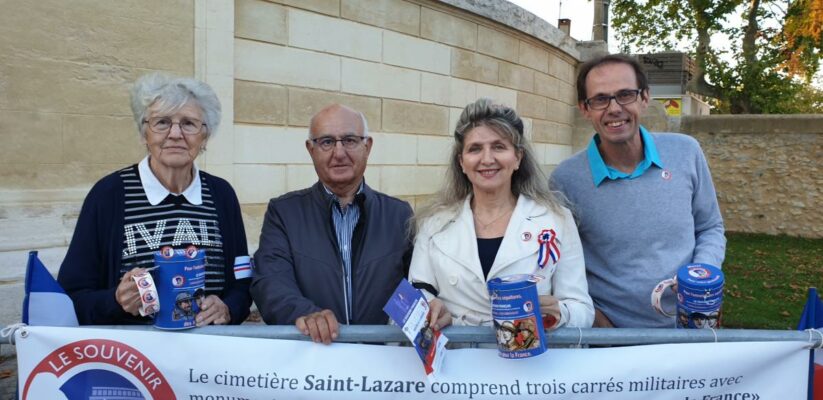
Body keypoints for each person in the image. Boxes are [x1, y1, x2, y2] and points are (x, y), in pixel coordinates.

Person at [57, 73, 252, 326]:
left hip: (207, 354)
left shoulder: (221, 194)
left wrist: (228, 308)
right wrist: (116, 301)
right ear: (143, 133)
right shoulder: (109, 194)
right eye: (162, 122)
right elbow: (71, 296)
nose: (175, 134)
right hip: (133, 358)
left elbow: (243, 282)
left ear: (204, 136)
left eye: (189, 124)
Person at [550, 54, 726, 328]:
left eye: (625, 95)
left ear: (644, 98)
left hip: (691, 327)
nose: (614, 108)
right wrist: (599, 326)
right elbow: (560, 265)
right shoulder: (566, 180)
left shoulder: (686, 152)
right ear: (585, 109)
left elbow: (710, 227)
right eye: (600, 99)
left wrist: (701, 276)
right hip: (613, 342)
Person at [408, 98, 594, 332]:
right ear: (462, 162)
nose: (487, 159)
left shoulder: (557, 219)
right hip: (458, 360)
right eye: (475, 149)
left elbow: (582, 310)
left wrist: (560, 314)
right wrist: (428, 307)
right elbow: (418, 291)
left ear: (518, 157)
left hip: (528, 362)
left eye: (499, 147)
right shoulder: (434, 224)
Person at [251, 104, 414, 344]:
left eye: (349, 140)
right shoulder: (284, 213)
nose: (339, 153)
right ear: (311, 149)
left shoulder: (399, 215)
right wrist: (304, 313)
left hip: (382, 366)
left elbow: (417, 287)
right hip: (316, 366)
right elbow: (270, 282)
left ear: (367, 146)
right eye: (327, 142)